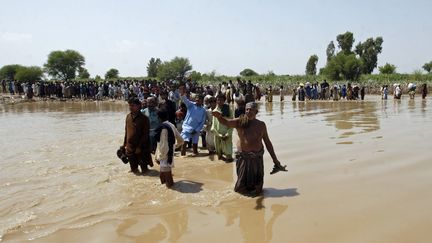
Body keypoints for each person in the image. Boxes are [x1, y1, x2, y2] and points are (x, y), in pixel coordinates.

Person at [212, 102, 287, 196]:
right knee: (241, 188)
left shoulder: (261, 125)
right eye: (247, 109)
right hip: (243, 158)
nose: (248, 111)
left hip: (257, 158)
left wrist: (275, 161)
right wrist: (219, 117)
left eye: (251, 109)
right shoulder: (240, 122)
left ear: (256, 111)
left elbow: (267, 143)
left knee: (257, 187)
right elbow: (226, 122)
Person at [122, 97, 153, 174]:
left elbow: (145, 135)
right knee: (133, 170)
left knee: (145, 170)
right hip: (130, 147)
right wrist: (124, 144)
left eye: (132, 105)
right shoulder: (128, 116)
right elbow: (126, 131)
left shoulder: (144, 119)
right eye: (129, 105)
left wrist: (139, 147)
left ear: (139, 106)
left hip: (142, 148)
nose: (130, 107)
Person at [154, 109, 184, 188]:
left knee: (168, 178)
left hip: (165, 155)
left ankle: (171, 192)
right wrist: (174, 147)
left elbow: (163, 145)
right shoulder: (171, 125)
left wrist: (159, 157)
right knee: (162, 176)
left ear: (159, 118)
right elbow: (181, 140)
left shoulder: (163, 128)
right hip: (169, 153)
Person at [179, 85, 207, 155]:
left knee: (195, 145)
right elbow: (185, 100)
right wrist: (182, 93)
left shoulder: (203, 110)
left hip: (196, 129)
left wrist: (197, 130)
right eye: (196, 98)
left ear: (202, 101)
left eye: (199, 99)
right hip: (187, 127)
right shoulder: (191, 105)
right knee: (184, 143)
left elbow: (202, 122)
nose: (197, 100)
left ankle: (195, 154)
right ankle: (183, 157)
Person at [212, 94, 234, 162]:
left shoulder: (228, 109)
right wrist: (219, 135)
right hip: (218, 134)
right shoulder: (215, 110)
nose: (219, 101)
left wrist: (228, 134)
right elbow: (214, 124)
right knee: (219, 155)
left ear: (224, 101)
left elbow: (232, 121)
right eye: (218, 100)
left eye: (221, 100)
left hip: (227, 133)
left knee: (229, 155)